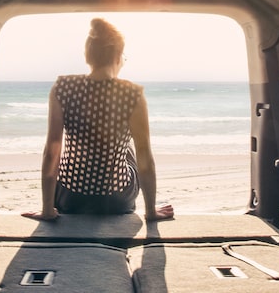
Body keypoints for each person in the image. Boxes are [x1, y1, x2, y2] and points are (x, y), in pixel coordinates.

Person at [22, 18, 174, 221]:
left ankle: (55, 204)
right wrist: (151, 211)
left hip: (70, 198)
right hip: (117, 200)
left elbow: (52, 150)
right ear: (118, 57)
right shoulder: (132, 93)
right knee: (130, 147)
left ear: (88, 56)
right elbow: (145, 156)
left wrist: (47, 210)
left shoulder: (62, 87)